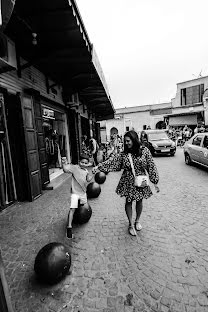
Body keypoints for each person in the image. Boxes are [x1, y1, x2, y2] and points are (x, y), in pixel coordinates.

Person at [93, 130, 159, 236]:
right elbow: (112, 162)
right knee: (129, 201)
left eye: (128, 141)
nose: (126, 143)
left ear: (134, 139)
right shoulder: (124, 154)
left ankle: (137, 221)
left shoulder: (144, 150)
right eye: (125, 141)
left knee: (139, 200)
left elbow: (151, 165)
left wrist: (154, 180)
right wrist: (98, 167)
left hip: (140, 179)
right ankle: (130, 224)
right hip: (128, 181)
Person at [62, 154, 93, 239]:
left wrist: (92, 173)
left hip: (83, 194)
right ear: (79, 162)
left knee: (83, 205)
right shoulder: (75, 168)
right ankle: (69, 227)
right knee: (72, 209)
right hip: (75, 193)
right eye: (81, 162)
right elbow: (65, 170)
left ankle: (78, 215)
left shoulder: (86, 171)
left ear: (87, 164)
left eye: (85, 163)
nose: (83, 164)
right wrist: (64, 163)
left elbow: (88, 179)